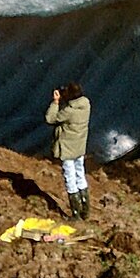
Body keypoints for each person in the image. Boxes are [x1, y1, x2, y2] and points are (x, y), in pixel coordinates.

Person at [46, 82, 92, 219]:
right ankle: (85, 211)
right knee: (80, 176)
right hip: (79, 148)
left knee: (70, 179)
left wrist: (55, 102)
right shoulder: (86, 106)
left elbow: (50, 119)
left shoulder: (69, 111)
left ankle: (76, 214)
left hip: (67, 149)